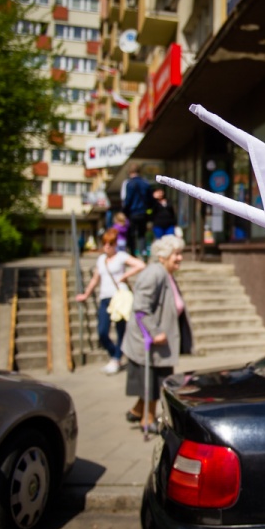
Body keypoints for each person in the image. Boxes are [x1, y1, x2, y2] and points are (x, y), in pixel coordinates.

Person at [121, 234, 192, 433]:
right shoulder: (155, 274)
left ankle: (137, 411)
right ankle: (147, 419)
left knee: (156, 380)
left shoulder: (165, 273)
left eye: (180, 253)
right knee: (153, 381)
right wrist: (155, 332)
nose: (180, 258)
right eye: (176, 254)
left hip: (161, 341)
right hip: (152, 341)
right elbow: (141, 308)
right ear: (162, 256)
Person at [75, 228, 146, 375]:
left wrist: (125, 275)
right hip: (105, 298)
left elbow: (140, 264)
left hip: (119, 297)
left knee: (121, 330)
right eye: (105, 243)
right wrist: (86, 294)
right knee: (102, 331)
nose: (107, 246)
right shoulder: (101, 259)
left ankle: (116, 359)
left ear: (115, 244)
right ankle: (116, 354)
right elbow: (95, 279)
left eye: (110, 243)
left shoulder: (121, 256)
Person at [122, 166, 151, 258]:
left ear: (130, 172)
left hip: (132, 213)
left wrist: (125, 212)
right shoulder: (145, 183)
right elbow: (149, 199)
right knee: (142, 234)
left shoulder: (129, 184)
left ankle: (133, 254)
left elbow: (128, 200)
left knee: (132, 234)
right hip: (143, 213)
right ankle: (143, 253)